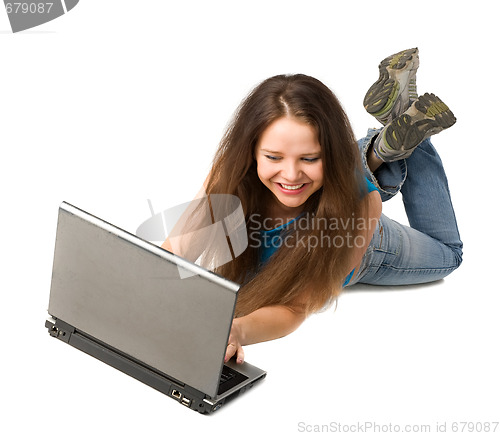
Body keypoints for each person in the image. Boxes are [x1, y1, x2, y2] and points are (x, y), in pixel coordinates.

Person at [161, 48, 463, 365]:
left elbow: (295, 306)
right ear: (250, 151)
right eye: (273, 157)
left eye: (309, 157)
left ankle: (409, 132)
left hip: (364, 241)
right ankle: (381, 146)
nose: (290, 174)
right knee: (319, 181)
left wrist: (237, 330)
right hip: (328, 191)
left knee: (449, 253)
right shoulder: (229, 175)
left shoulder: (362, 207)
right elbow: (174, 255)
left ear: (329, 154)